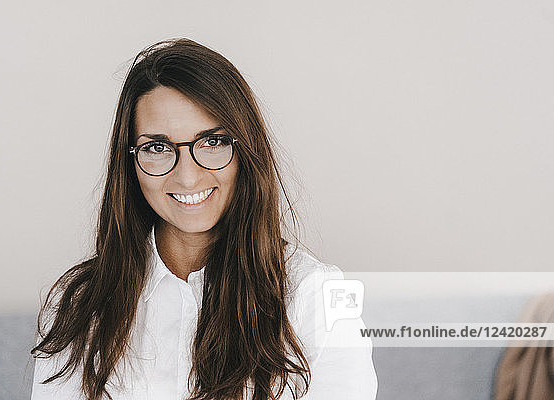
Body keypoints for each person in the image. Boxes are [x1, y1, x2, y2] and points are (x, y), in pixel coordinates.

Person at [30, 37, 378, 400]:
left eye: (212, 142)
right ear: (129, 162)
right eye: (157, 147)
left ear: (246, 149)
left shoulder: (314, 299)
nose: (187, 177)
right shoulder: (78, 304)